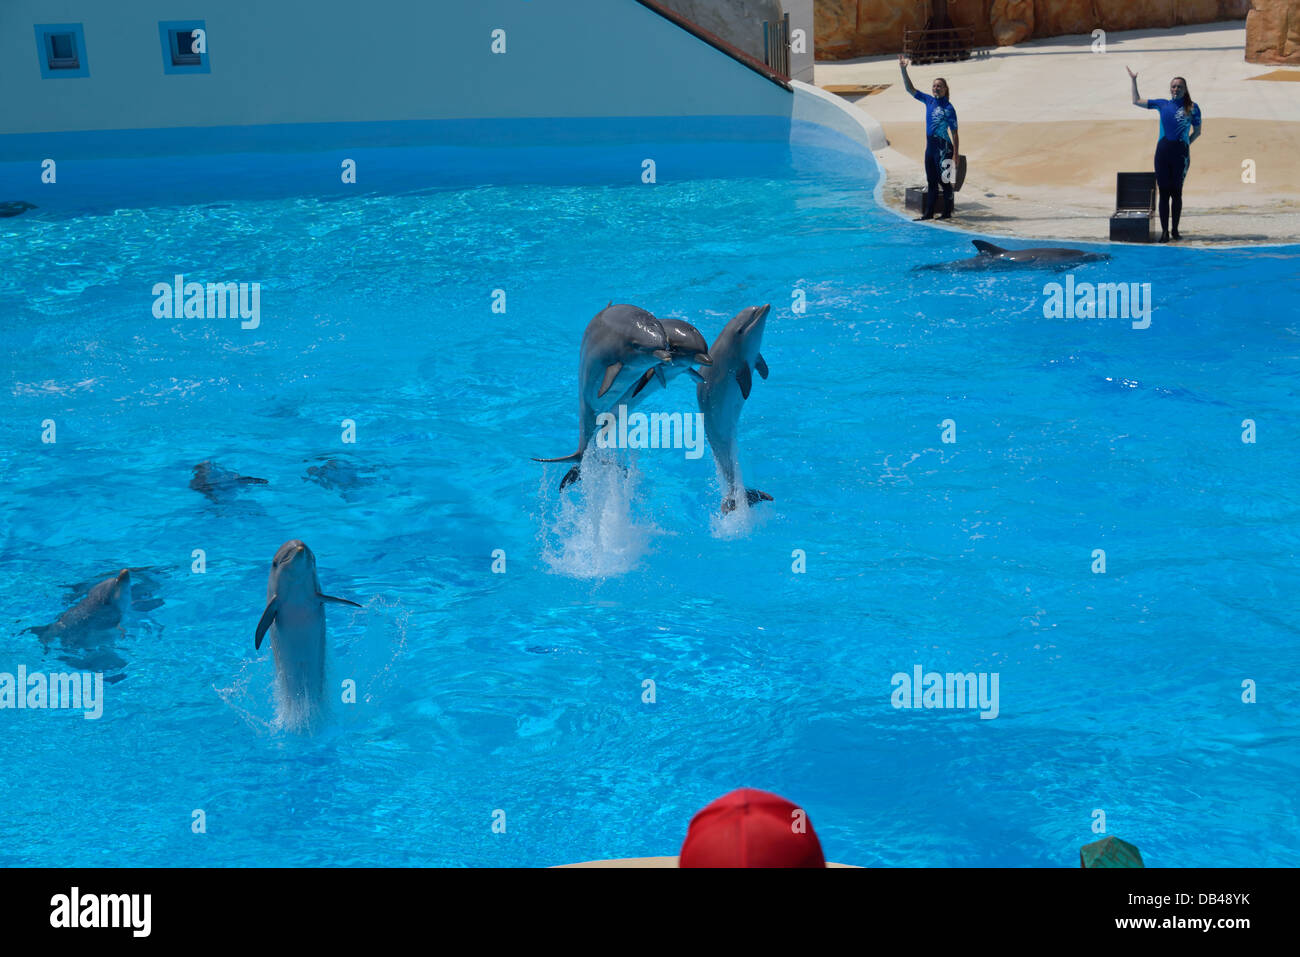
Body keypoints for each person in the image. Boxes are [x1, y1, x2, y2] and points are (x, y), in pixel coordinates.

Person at [1127, 68, 1202, 242]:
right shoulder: (1162, 104)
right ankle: (1164, 232)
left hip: (1181, 156)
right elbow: (1136, 101)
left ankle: (1175, 231)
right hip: (1162, 154)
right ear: (1170, 89)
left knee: (1177, 193)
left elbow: (1197, 131)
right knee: (1164, 193)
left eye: (1179, 87)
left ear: (1185, 89)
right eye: (1173, 86)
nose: (1176, 89)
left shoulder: (1192, 107)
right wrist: (1133, 80)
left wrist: (1185, 145)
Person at [899, 53, 959, 221]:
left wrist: (955, 155)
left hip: (944, 149)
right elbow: (910, 89)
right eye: (934, 86)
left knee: (944, 182)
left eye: (939, 86)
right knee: (931, 181)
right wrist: (903, 70)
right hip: (930, 148)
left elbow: (955, 133)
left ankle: (947, 213)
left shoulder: (949, 108)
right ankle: (928, 213)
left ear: (945, 89)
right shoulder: (929, 101)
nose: (936, 88)